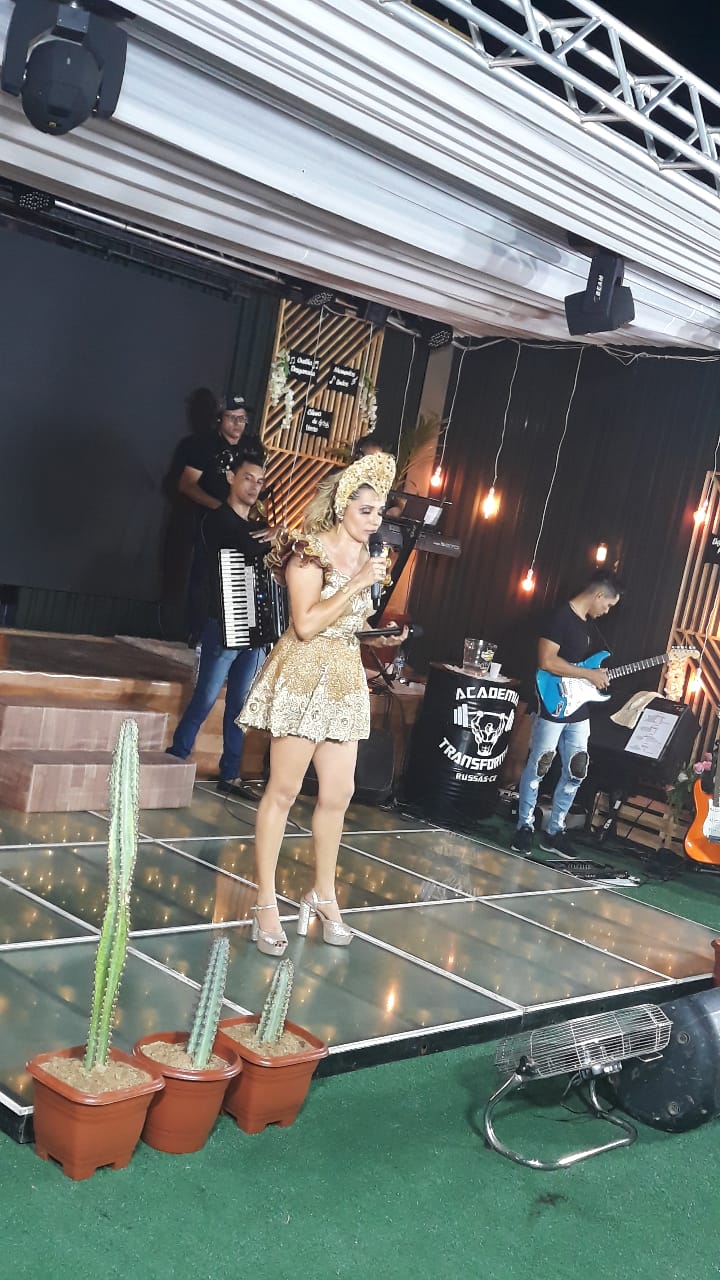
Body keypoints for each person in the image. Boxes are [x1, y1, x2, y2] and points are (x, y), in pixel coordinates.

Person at [237, 451, 406, 956]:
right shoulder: (307, 553)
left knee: (339, 794)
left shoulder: (368, 558)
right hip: (304, 674)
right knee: (283, 791)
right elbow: (306, 624)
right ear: (340, 507)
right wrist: (356, 582)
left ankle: (323, 894)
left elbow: (351, 621)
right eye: (365, 511)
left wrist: (379, 634)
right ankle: (265, 903)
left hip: (344, 678)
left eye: (379, 513)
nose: (374, 521)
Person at [166, 446, 271, 797]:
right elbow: (246, 547)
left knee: (240, 706)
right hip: (222, 622)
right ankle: (177, 755)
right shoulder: (217, 520)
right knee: (206, 697)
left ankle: (231, 773)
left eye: (259, 481)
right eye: (247, 478)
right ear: (230, 478)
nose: (254, 486)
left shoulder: (257, 527)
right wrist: (275, 538)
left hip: (253, 626)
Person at [512, 570, 623, 858]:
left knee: (577, 769)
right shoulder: (560, 617)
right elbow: (547, 661)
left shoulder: (588, 626)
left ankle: (555, 830)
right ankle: (524, 826)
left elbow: (582, 668)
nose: (607, 611)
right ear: (599, 595)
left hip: (579, 707)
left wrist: (593, 676)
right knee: (540, 764)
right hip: (553, 702)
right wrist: (588, 674)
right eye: (608, 604)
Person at [176, 394, 251, 643]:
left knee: (235, 578)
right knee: (204, 577)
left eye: (242, 419)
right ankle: (196, 633)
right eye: (232, 418)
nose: (238, 424)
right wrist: (220, 507)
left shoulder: (249, 449)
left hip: (240, 524)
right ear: (220, 418)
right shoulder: (203, 445)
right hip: (208, 523)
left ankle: (228, 634)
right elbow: (186, 485)